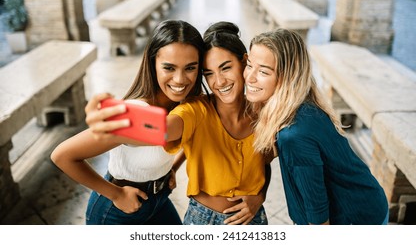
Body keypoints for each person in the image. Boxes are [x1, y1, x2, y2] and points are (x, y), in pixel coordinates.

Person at [85, 22, 271, 225]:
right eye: (208, 73)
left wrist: (259, 196)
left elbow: (264, 163)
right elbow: (163, 128)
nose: (219, 81)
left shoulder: (263, 111)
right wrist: (117, 118)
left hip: (252, 218)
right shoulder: (195, 110)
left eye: (225, 68)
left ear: (245, 63)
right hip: (203, 220)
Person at [50, 19, 206, 225]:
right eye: (169, 67)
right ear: (152, 64)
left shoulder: (188, 103)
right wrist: (115, 194)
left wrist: (172, 169)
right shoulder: (138, 111)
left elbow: (191, 131)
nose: (179, 79)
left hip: (159, 200)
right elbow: (62, 156)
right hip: (117, 211)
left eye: (190, 68)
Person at [243, 28, 389, 225]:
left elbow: (318, 217)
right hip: (368, 199)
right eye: (249, 65)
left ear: (287, 77)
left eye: (263, 71)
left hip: (356, 217)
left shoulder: (294, 135)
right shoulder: (303, 102)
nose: (249, 77)